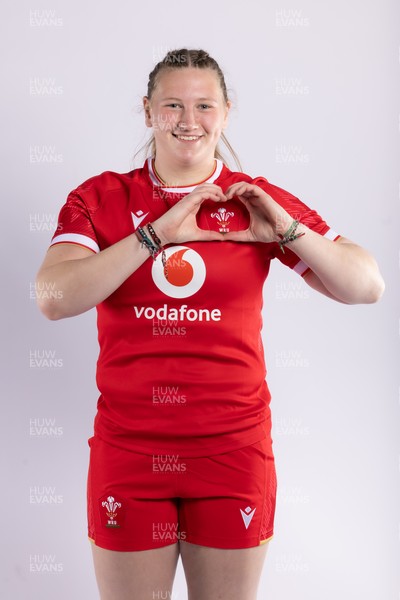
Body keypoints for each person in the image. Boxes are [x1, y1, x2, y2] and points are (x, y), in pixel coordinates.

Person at [36, 48, 385, 600]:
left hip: (232, 450)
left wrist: (288, 231)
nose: (188, 121)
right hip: (130, 451)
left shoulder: (254, 200)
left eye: (204, 106)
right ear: (147, 111)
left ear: (226, 112)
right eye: (172, 105)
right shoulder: (102, 196)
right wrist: (156, 235)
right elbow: (53, 298)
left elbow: (366, 286)